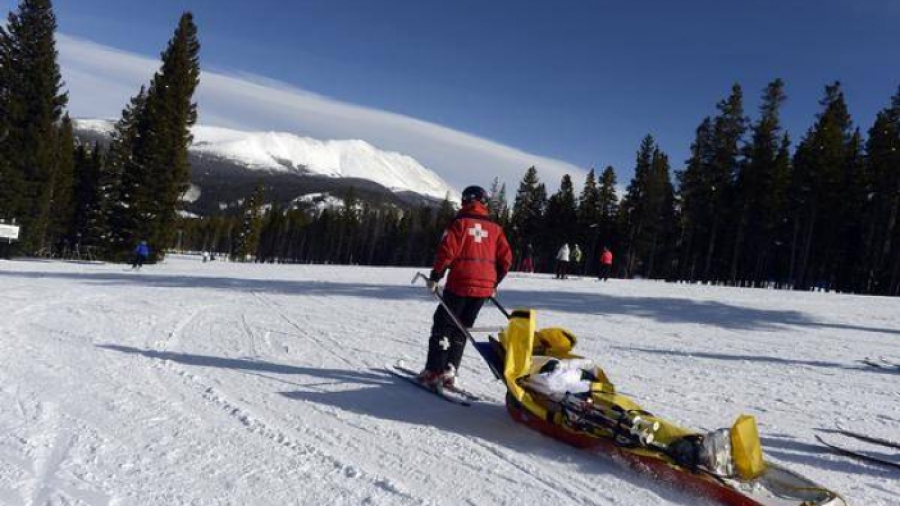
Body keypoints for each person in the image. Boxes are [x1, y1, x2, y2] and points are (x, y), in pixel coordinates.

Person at [420, 185, 513, 388]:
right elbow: (506, 260)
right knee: (462, 327)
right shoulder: (496, 228)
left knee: (444, 324)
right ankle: (450, 370)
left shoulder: (459, 223)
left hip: (460, 283)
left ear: (465, 201)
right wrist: (494, 282)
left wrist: (436, 276)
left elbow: (447, 252)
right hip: (484, 289)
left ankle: (434, 371)